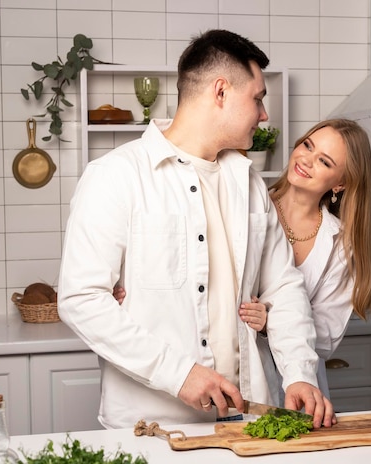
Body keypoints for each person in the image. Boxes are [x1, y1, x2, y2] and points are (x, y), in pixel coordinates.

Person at [57, 29, 334, 430]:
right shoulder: (115, 177)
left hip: (247, 419)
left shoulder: (249, 182)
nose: (263, 113)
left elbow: (284, 287)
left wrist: (300, 374)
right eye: (257, 98)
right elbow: (82, 299)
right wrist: (179, 373)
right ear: (221, 92)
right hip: (153, 427)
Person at [238, 118, 371, 399]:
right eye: (307, 145)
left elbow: (326, 338)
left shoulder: (342, 243)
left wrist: (271, 322)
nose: (306, 159)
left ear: (340, 183)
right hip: (237, 374)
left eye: (324, 161)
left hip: (301, 389)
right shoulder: (245, 207)